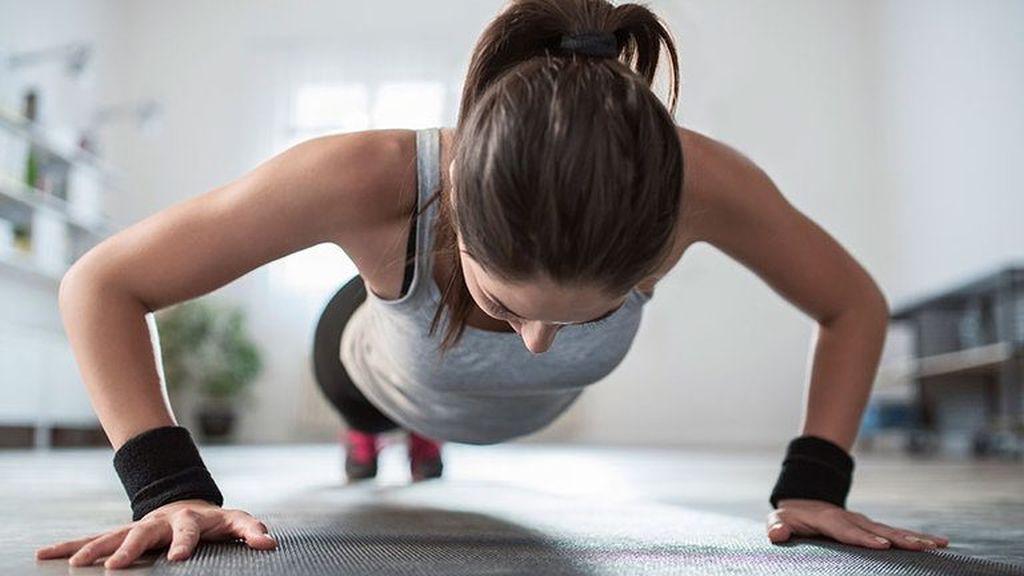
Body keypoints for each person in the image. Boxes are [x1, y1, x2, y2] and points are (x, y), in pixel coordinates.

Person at [36, 0, 950, 570]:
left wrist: (814, 483)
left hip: (500, 409)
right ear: (460, 210)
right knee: (370, 394)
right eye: (507, 306)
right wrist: (165, 488)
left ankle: (422, 436)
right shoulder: (367, 176)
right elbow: (102, 284)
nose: (538, 342)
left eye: (583, 314)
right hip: (367, 359)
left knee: (464, 392)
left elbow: (852, 302)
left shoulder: (694, 187)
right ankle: (378, 435)